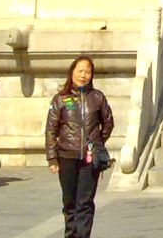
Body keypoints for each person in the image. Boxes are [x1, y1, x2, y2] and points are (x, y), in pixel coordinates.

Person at [45, 55, 114, 238]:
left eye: (87, 72)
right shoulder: (61, 99)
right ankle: (70, 234)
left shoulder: (97, 97)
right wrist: (52, 158)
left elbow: (108, 123)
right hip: (66, 157)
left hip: (89, 159)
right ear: (72, 72)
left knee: (85, 202)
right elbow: (51, 130)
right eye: (80, 71)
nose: (83, 75)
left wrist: (97, 142)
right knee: (69, 202)